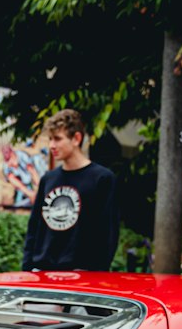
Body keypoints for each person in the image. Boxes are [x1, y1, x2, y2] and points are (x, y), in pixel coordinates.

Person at [22, 108, 118, 272]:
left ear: (76, 138)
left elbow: (108, 234)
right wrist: (28, 268)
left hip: (82, 277)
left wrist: (96, 273)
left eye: (58, 139)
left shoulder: (102, 179)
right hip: (42, 273)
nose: (52, 145)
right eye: (50, 139)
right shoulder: (48, 179)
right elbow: (34, 229)